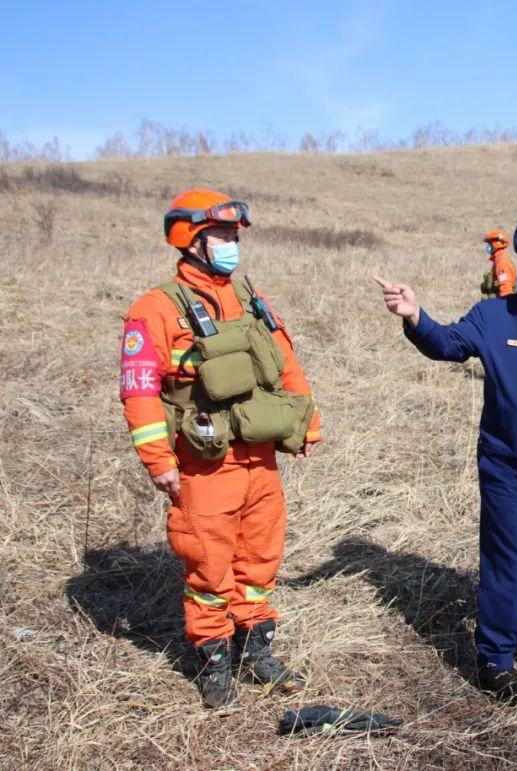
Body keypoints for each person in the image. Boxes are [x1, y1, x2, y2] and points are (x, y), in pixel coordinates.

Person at [375, 217, 517, 704]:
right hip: (507, 467)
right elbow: (449, 345)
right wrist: (415, 316)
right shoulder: (492, 316)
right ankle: (495, 660)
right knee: (510, 561)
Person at [120, 189, 321, 708]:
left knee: (260, 556)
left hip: (260, 457)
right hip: (203, 462)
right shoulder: (155, 308)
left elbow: (283, 359)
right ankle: (213, 661)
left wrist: (306, 423)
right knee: (208, 563)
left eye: (235, 236)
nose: (232, 245)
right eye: (223, 236)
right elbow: (138, 389)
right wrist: (158, 461)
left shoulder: (249, 295)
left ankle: (256, 648)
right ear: (190, 240)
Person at [481, 230, 516, 299]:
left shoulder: (502, 263)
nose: (488, 246)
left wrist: (502, 307)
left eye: (489, 244)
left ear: (496, 244)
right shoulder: (499, 260)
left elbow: (505, 288)